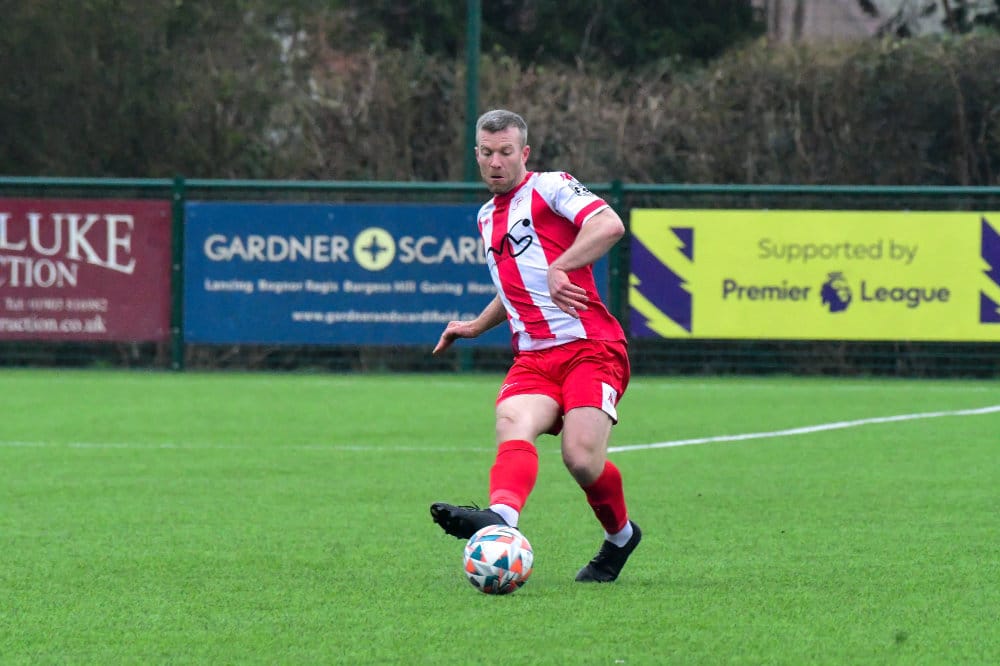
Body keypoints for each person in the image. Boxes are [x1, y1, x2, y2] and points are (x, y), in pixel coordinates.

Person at [430, 109, 641, 583]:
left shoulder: (552, 186)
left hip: (590, 347)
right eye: (487, 153)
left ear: (524, 153)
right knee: (512, 423)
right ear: (477, 155)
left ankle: (621, 537)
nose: (496, 162)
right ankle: (501, 518)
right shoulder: (486, 217)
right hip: (534, 357)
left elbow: (609, 225)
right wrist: (476, 325)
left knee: (580, 458)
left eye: (506, 152)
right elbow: (514, 286)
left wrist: (561, 266)